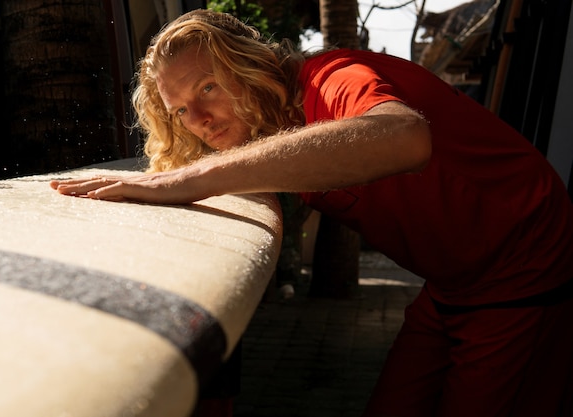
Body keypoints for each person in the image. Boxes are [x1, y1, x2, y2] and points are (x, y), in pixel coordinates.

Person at [50, 9, 573, 417]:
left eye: (208, 87)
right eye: (181, 109)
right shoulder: (264, 125)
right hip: (451, 284)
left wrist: (185, 180)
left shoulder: (334, 78)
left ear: (249, 64)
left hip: (523, 270)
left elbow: (407, 137)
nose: (199, 120)